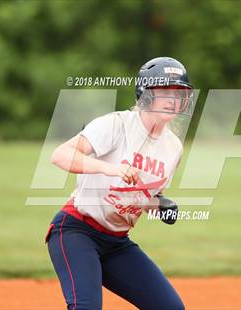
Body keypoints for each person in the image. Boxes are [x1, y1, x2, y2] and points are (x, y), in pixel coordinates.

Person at [45, 57, 194, 310]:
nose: (173, 99)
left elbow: (142, 197)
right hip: (76, 231)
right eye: (165, 91)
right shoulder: (116, 124)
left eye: (179, 93)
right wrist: (111, 168)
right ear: (145, 94)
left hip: (117, 242)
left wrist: (159, 205)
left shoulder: (173, 147)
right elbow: (59, 155)